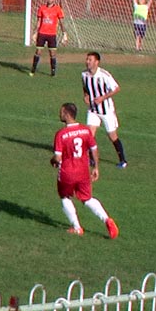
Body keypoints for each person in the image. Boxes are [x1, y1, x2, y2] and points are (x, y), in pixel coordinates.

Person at [50, 102, 119, 238]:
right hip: (83, 172)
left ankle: (77, 227)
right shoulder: (86, 130)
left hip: (67, 172)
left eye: (61, 112)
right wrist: (96, 167)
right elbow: (94, 149)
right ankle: (107, 219)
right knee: (87, 198)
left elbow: (57, 158)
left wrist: (52, 161)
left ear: (67, 114)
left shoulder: (61, 134)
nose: (60, 114)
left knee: (65, 197)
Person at [81, 52, 128, 169]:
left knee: (112, 136)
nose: (87, 62)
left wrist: (102, 98)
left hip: (106, 110)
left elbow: (116, 88)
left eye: (90, 60)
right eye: (87, 59)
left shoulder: (104, 75)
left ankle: (122, 160)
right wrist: (86, 95)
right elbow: (85, 87)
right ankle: (92, 159)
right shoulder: (84, 74)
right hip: (93, 110)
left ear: (97, 62)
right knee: (90, 135)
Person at [30, 0, 67, 77]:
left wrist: (64, 34)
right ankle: (33, 69)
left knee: (52, 53)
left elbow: (61, 23)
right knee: (38, 51)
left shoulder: (58, 9)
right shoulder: (42, 8)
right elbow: (38, 22)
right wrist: (35, 33)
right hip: (42, 33)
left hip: (52, 34)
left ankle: (53, 71)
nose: (50, 0)